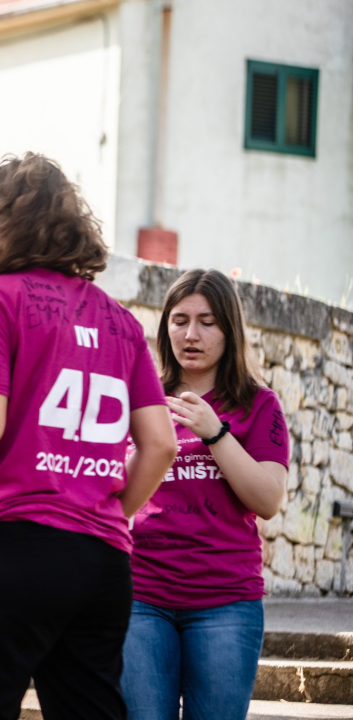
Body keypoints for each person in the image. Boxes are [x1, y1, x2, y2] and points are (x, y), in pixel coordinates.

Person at [0, 153, 178, 720]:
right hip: (102, 562)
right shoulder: (121, 321)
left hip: (8, 547)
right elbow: (160, 445)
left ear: (10, 220)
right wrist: (103, 509)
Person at [121, 269, 288, 720]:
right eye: (179, 320)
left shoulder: (259, 405)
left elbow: (268, 500)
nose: (191, 334)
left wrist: (216, 432)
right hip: (140, 595)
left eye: (207, 321)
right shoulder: (141, 397)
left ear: (229, 329)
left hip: (225, 602)